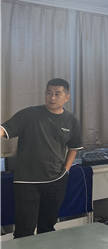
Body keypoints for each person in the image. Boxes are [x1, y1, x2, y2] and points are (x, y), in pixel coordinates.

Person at [0, 78, 82, 238]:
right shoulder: (29, 114)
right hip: (27, 181)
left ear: (66, 97)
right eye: (49, 93)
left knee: (47, 227)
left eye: (57, 94)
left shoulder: (71, 120)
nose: (52, 97)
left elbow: (73, 148)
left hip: (55, 180)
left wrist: (66, 170)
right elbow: (5, 129)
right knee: (24, 229)